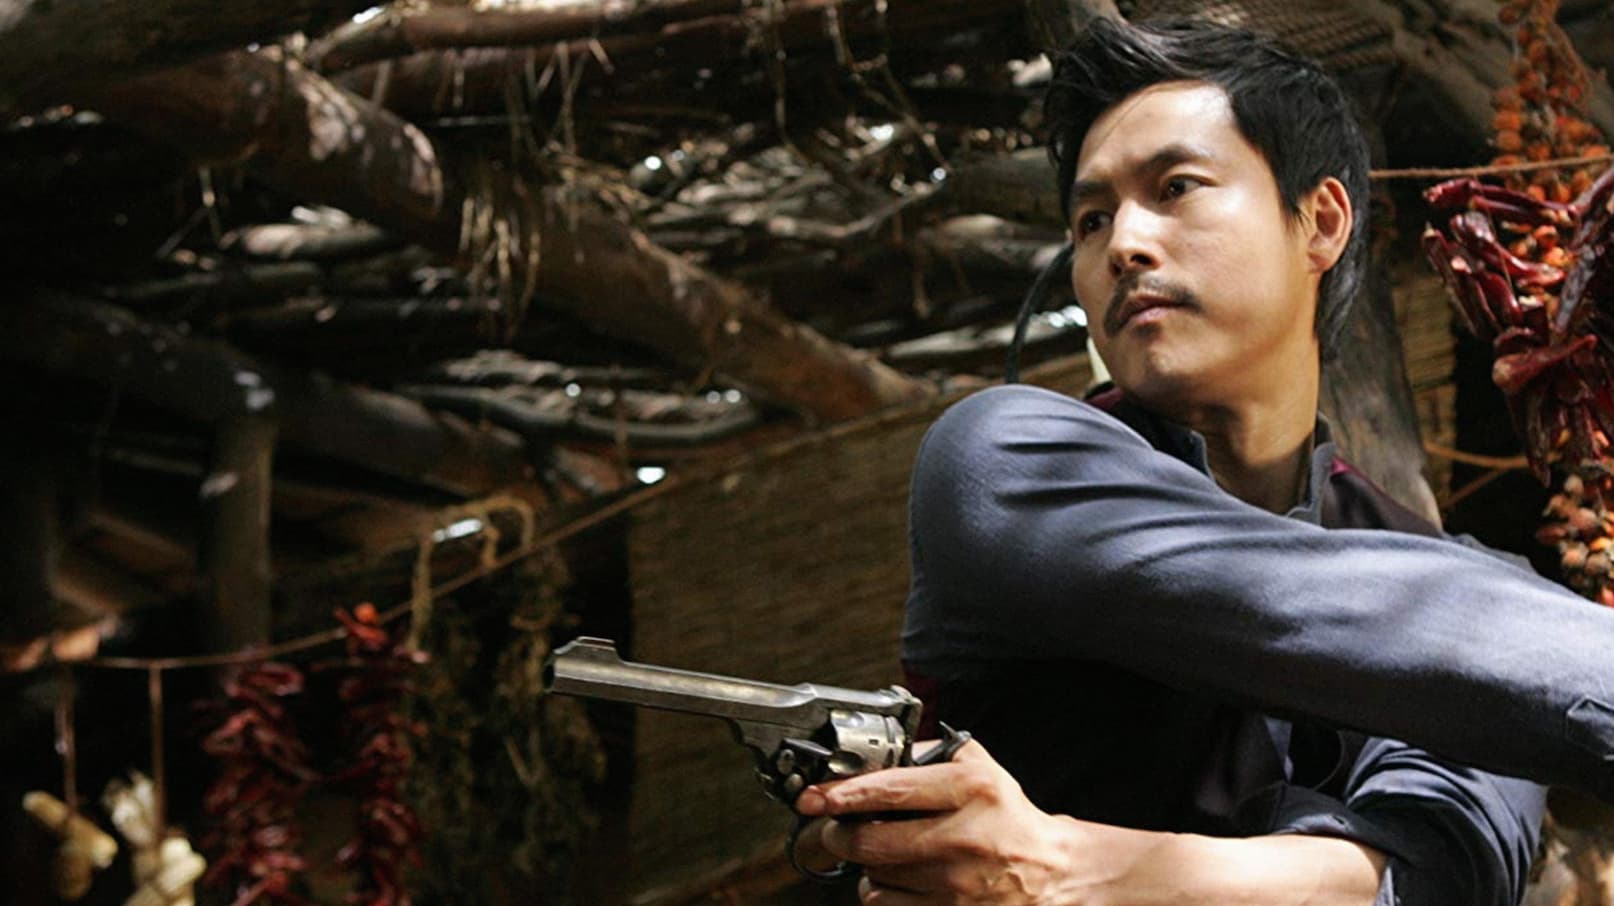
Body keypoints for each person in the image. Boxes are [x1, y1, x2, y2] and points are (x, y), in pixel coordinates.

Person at [790, 17, 1614, 905]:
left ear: (1321, 222)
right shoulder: (1005, 465)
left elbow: (1453, 867)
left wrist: (1071, 868)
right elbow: (1331, 634)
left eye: (1176, 187)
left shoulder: (1456, 585)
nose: (1123, 245)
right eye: (1091, 220)